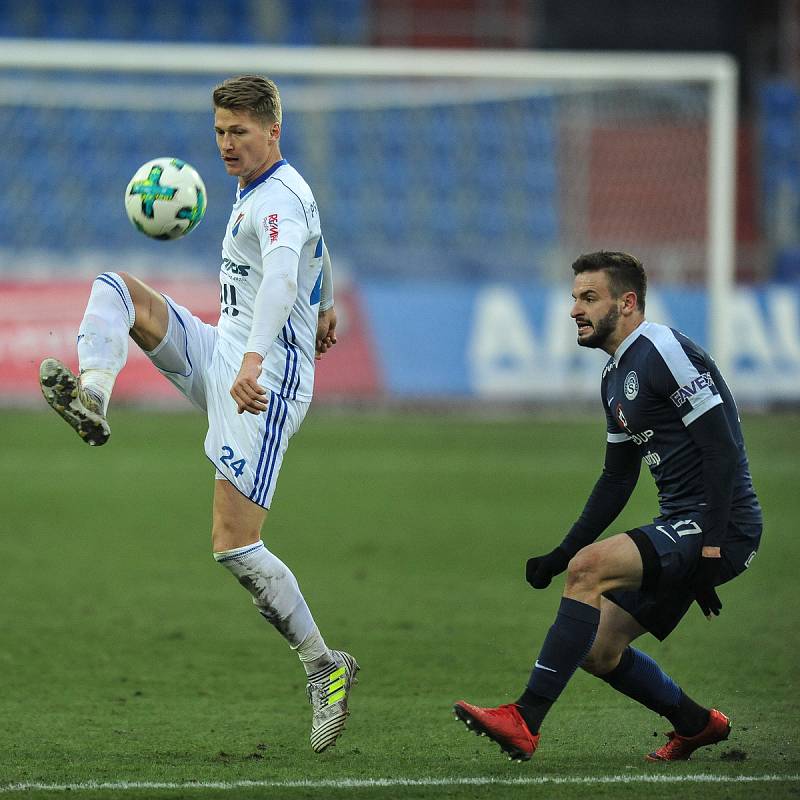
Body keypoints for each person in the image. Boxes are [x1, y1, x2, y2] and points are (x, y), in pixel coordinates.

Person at [38, 74, 358, 754]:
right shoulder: (281, 191)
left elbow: (278, 275)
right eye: (218, 132)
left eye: (239, 132)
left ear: (274, 130)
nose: (225, 145)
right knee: (119, 291)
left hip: (262, 386)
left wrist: (252, 362)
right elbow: (314, 249)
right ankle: (93, 394)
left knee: (235, 545)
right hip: (225, 353)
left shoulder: (276, 202)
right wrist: (325, 301)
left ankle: (324, 666)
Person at [454, 251, 762, 763]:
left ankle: (525, 718)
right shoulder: (613, 377)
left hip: (719, 523)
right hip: (684, 525)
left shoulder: (663, 349)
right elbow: (618, 479)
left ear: (628, 302)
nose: (575, 309)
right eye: (574, 297)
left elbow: (723, 448)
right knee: (598, 651)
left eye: (589, 298)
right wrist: (560, 552)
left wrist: (709, 547)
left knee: (590, 570)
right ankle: (694, 723)